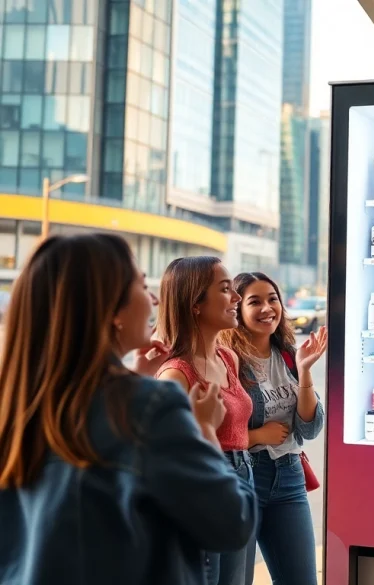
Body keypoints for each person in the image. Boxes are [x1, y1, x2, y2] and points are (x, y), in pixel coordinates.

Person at [0, 234, 257, 585]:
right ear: (113, 310)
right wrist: (207, 432)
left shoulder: (17, 405)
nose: (153, 300)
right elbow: (232, 523)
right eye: (141, 286)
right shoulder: (150, 405)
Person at [220, 272, 327, 585]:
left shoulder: (289, 355)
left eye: (272, 299)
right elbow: (211, 433)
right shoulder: (228, 361)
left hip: (290, 476)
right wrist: (257, 436)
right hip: (244, 477)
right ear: (237, 308)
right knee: (236, 580)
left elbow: (310, 428)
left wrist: (305, 371)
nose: (267, 308)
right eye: (255, 301)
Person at [156, 256, 254, 585]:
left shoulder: (229, 358)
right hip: (204, 486)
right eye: (225, 289)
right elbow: (168, 461)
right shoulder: (175, 375)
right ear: (195, 304)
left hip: (243, 477)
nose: (236, 297)